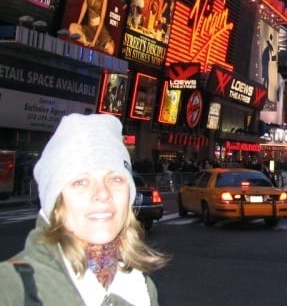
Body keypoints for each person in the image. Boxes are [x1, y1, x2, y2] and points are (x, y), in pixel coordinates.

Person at [0, 113, 167, 305]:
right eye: (81, 182)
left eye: (115, 179)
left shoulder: (143, 289)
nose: (102, 193)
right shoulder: (10, 289)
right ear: (56, 201)